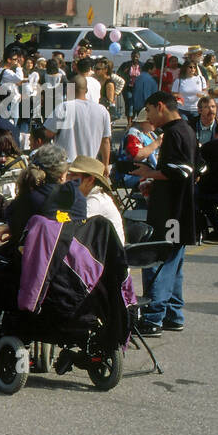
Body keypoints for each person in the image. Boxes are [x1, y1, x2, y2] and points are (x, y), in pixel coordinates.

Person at [132, 91, 199, 335]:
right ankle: (173, 313)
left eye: (149, 111)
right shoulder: (188, 130)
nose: (148, 116)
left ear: (160, 107)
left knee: (160, 261)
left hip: (171, 212)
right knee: (174, 263)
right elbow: (195, 169)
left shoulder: (173, 133)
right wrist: (155, 182)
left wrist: (148, 174)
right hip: (180, 209)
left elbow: (180, 171)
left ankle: (153, 317)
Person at [4, 143, 87, 247]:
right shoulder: (78, 196)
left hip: (39, 260)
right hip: (70, 259)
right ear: (62, 175)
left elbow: (14, 225)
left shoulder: (29, 197)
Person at [44, 65, 110, 168]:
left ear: (69, 89)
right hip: (90, 165)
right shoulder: (102, 110)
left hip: (67, 166)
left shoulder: (64, 107)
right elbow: (105, 141)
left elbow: (48, 133)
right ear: (86, 90)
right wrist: (105, 165)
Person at [68, 155, 124, 244]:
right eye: (69, 174)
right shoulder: (84, 194)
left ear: (90, 180)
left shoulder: (96, 200)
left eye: (74, 175)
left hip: (108, 254)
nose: (68, 179)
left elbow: (73, 227)